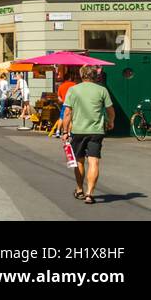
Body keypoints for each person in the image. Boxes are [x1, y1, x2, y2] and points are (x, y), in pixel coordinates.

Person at [62, 65, 114, 205]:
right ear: (94, 76)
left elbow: (67, 113)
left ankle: (79, 190)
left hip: (78, 131)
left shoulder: (73, 90)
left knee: (79, 161)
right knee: (94, 161)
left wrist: (65, 131)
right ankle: (90, 194)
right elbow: (110, 110)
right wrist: (111, 122)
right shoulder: (102, 90)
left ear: (81, 75)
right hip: (96, 131)